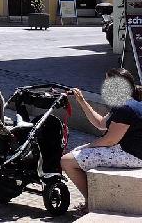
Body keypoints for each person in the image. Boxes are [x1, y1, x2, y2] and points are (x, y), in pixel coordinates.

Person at [61, 68, 142, 203]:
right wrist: (82, 101)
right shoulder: (128, 102)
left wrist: (86, 147)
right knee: (76, 155)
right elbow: (100, 123)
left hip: (133, 156)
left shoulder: (125, 107)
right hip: (130, 151)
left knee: (67, 161)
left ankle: (92, 202)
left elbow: (110, 140)